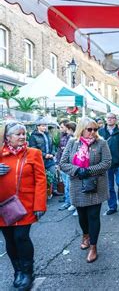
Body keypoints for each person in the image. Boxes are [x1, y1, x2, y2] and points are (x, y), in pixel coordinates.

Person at [0, 122, 47, 289]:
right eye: (18, 134)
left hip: (25, 205)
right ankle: (17, 271)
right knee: (10, 240)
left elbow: (41, 180)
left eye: (23, 134)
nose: (22, 137)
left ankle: (28, 272)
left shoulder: (34, 153)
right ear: (7, 137)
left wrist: (39, 205)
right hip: (3, 207)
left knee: (21, 237)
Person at [59, 118, 112, 263]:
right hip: (77, 185)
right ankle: (85, 235)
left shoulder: (102, 143)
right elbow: (63, 163)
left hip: (96, 185)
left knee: (94, 216)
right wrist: (77, 170)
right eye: (90, 129)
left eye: (95, 130)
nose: (93, 133)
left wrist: (88, 170)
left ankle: (93, 247)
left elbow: (107, 163)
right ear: (81, 129)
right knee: (82, 216)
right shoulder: (72, 143)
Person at [98, 113, 119, 215]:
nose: (110, 120)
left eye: (112, 118)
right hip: (106, 164)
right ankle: (112, 206)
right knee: (109, 187)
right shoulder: (100, 132)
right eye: (108, 118)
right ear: (105, 119)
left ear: (116, 120)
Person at [29, 117, 60, 196]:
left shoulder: (48, 134)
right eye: (43, 126)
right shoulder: (33, 136)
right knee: (41, 177)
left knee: (53, 173)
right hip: (40, 160)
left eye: (45, 125)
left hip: (49, 159)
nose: (45, 127)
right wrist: (44, 155)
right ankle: (44, 192)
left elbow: (52, 145)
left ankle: (54, 190)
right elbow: (33, 149)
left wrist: (52, 153)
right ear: (38, 126)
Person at [57, 121, 77, 211]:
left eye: (62, 127)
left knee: (70, 185)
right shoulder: (63, 136)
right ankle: (68, 202)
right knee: (66, 185)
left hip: (71, 165)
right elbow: (59, 150)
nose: (60, 129)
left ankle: (73, 203)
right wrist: (58, 163)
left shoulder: (74, 138)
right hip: (63, 163)